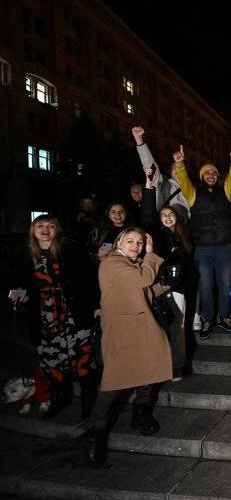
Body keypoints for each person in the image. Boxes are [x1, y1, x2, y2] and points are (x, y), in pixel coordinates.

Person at [83, 227, 172, 467]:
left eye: (141, 243)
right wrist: (152, 254)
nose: (136, 245)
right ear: (119, 243)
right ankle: (95, 433)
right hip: (122, 330)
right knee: (113, 384)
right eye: (130, 241)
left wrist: (165, 286)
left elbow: (143, 291)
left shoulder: (132, 264)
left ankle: (141, 414)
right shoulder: (112, 262)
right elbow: (143, 279)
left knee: (150, 372)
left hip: (143, 326)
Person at [11, 215, 100, 420]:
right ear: (33, 230)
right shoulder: (24, 255)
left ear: (56, 230)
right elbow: (15, 285)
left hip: (74, 314)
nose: (45, 230)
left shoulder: (72, 250)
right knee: (52, 364)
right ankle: (61, 399)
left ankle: (88, 407)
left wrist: (96, 305)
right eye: (40, 226)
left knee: (83, 362)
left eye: (50, 226)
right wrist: (16, 299)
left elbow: (91, 278)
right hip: (44, 317)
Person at [173, 143, 231, 338]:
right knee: (205, 285)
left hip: (224, 248)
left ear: (217, 176)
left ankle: (223, 317)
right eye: (207, 173)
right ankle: (207, 319)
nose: (210, 175)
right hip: (202, 249)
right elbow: (184, 181)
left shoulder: (226, 192)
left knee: (225, 284)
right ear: (202, 177)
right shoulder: (193, 194)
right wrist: (180, 165)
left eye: (213, 172)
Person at [142, 169, 194, 381]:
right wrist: (148, 188)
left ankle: (176, 367)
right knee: (160, 329)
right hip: (160, 288)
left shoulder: (184, 238)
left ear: (177, 217)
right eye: (163, 215)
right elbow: (146, 217)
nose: (167, 218)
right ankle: (159, 366)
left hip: (179, 291)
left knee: (178, 330)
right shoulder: (157, 236)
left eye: (171, 215)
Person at [132, 126, 190, 221]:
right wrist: (139, 140)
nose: (178, 171)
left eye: (180, 168)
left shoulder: (192, 188)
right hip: (166, 229)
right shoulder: (162, 184)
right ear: (170, 172)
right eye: (175, 168)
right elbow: (150, 165)